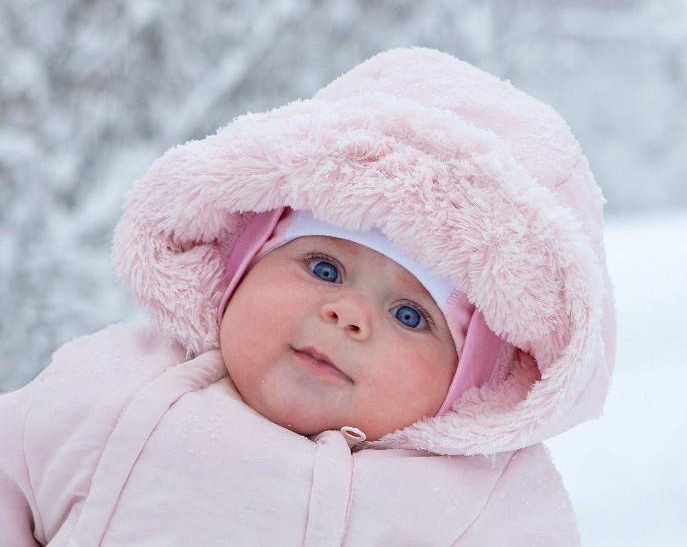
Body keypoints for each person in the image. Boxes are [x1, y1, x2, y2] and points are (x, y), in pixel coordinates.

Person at [0, 47, 616, 546]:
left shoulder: (481, 507)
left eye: (410, 315)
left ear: (471, 385)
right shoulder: (111, 384)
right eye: (323, 267)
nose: (348, 315)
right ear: (244, 262)